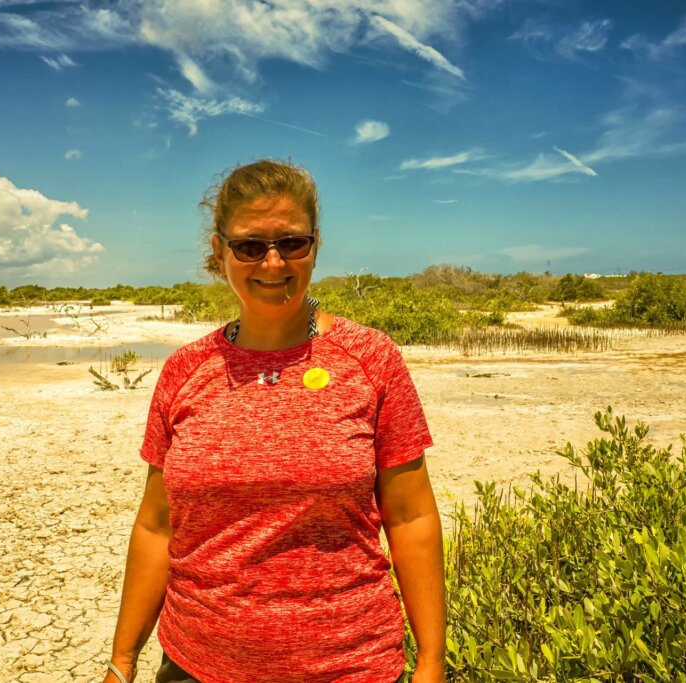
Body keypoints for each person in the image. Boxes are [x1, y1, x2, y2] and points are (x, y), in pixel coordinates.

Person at [103, 159, 446, 683]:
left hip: (350, 665)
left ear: (315, 244)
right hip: (196, 664)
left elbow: (411, 518)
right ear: (219, 252)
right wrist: (122, 662)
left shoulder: (371, 359)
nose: (271, 262)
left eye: (291, 243)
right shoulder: (184, 371)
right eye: (249, 246)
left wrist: (430, 662)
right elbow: (156, 525)